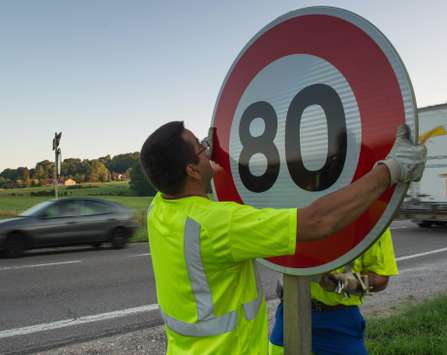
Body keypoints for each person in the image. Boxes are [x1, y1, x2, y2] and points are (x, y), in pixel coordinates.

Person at [139, 121, 425, 354]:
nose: (206, 149)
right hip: (266, 330)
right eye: (201, 149)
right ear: (189, 170)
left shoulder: (158, 208)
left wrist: (340, 283)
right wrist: (393, 170)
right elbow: (318, 220)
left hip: (338, 323)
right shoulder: (222, 222)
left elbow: (380, 278)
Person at [269, 229, 398, 355]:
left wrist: (346, 283)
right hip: (290, 313)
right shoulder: (298, 211)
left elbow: (381, 279)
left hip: (337, 319)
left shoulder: (374, 222)